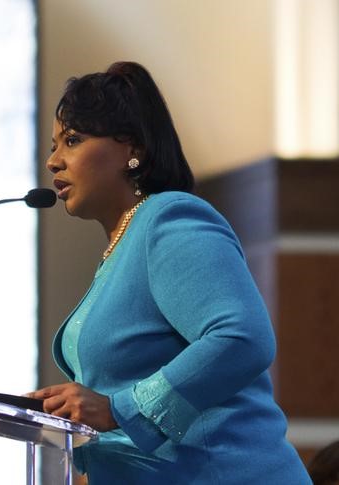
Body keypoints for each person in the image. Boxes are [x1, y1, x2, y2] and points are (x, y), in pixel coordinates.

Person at [27, 61, 311, 483]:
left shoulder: (169, 219)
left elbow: (242, 338)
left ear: (131, 148)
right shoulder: (122, 248)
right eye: (55, 145)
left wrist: (118, 409)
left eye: (72, 140)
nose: (53, 161)